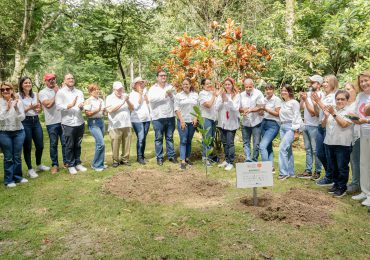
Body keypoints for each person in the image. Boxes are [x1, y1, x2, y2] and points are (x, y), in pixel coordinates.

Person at [322, 90, 353, 197]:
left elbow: (344, 124)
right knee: (333, 166)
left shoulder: (350, 111)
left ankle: (342, 187)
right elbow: (322, 125)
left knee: (342, 167)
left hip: (343, 144)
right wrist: (326, 116)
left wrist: (333, 113)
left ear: (347, 100)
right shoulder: (332, 109)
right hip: (329, 142)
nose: (339, 101)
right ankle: (336, 184)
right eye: (337, 99)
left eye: (342, 99)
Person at [55, 73, 87, 174]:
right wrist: (69, 105)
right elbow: (58, 107)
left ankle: (78, 163)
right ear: (64, 81)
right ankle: (71, 165)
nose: (71, 80)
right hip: (68, 123)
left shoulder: (79, 92)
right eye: (68, 78)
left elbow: (82, 106)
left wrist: (82, 106)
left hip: (79, 122)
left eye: (72, 78)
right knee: (69, 145)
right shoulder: (60, 92)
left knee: (78, 144)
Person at [18, 77, 50, 178]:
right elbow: (19, 112)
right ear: (21, 85)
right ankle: (30, 169)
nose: (28, 84)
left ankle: (39, 164)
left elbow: (38, 110)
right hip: (25, 122)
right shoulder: (18, 96)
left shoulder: (35, 95)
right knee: (27, 146)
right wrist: (30, 108)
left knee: (40, 145)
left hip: (35, 121)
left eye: (29, 82)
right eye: (25, 83)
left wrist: (38, 109)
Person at [311, 75, 338, 185]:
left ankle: (330, 177)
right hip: (320, 126)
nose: (324, 84)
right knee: (319, 153)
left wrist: (318, 101)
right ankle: (329, 174)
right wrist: (316, 102)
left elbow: (329, 110)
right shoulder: (324, 96)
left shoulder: (335, 95)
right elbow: (318, 113)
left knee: (328, 154)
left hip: (328, 127)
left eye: (327, 82)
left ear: (333, 83)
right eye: (324, 82)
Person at [0, 82, 28, 187]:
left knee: (17, 156)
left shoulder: (18, 102)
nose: (5, 91)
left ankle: (18, 177)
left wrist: (16, 108)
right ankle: (9, 180)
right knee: (8, 157)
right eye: (2, 90)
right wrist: (7, 109)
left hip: (19, 131)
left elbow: (22, 118)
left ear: (12, 90)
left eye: (7, 89)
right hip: (4, 132)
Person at [147, 70, 177, 166]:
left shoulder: (171, 87)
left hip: (170, 116)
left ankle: (171, 156)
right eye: (161, 75)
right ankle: (159, 158)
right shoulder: (153, 88)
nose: (163, 77)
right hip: (158, 117)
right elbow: (151, 99)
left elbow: (176, 99)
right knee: (158, 138)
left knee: (170, 137)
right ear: (157, 77)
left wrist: (172, 96)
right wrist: (164, 95)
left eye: (165, 75)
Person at [39, 73, 67, 174]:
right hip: (51, 123)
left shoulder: (60, 90)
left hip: (63, 121)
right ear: (45, 81)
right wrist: (56, 93)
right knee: (53, 144)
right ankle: (55, 165)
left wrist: (60, 91)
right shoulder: (42, 92)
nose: (52, 81)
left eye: (53, 79)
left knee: (65, 143)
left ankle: (66, 162)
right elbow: (49, 105)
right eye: (49, 79)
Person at [350, 71, 370, 207]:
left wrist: (365, 121)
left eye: (366, 80)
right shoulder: (361, 96)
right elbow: (357, 113)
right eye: (361, 81)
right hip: (363, 133)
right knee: (364, 163)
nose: (363, 83)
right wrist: (354, 118)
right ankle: (365, 191)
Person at [298, 75, 323, 179]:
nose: (310, 84)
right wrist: (303, 99)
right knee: (308, 149)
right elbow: (301, 107)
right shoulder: (308, 94)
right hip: (306, 125)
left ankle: (317, 171)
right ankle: (308, 170)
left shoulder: (321, 95)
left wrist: (306, 100)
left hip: (314, 126)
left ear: (318, 84)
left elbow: (313, 113)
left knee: (315, 150)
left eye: (312, 82)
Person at [106, 81, 133, 168]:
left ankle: (125, 159)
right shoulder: (109, 98)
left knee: (127, 143)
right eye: (118, 89)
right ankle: (115, 160)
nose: (120, 91)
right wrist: (122, 102)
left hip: (127, 123)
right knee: (115, 143)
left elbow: (132, 108)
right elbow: (110, 110)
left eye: (121, 89)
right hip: (115, 125)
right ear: (114, 89)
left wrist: (127, 100)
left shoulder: (125, 96)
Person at [215, 77, 240, 171]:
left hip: (231, 123)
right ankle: (226, 160)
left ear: (232, 85)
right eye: (225, 84)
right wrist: (222, 100)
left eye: (229, 84)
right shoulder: (221, 95)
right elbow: (216, 108)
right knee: (224, 143)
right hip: (222, 122)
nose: (227, 86)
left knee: (230, 143)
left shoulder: (237, 95)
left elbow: (235, 108)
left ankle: (231, 162)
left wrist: (227, 100)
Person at [278, 84, 303, 180]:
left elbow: (297, 116)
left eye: (285, 91)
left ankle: (283, 173)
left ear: (289, 92)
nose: (283, 92)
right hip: (282, 127)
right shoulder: (283, 103)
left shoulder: (294, 103)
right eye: (282, 90)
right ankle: (291, 172)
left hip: (290, 127)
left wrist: (296, 131)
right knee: (288, 150)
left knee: (282, 149)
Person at [174, 78, 199, 170]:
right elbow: (176, 108)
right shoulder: (178, 95)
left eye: (187, 84)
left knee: (189, 140)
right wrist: (181, 120)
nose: (185, 86)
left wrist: (196, 117)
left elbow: (198, 107)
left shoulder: (195, 95)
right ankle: (183, 161)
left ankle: (187, 158)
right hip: (182, 121)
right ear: (182, 85)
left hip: (192, 121)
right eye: (184, 84)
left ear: (190, 85)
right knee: (183, 140)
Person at [239, 78, 264, 162]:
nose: (248, 89)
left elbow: (261, 106)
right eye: (246, 87)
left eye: (250, 87)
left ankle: (254, 159)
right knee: (246, 142)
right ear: (244, 86)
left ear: (253, 85)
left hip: (256, 122)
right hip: (246, 122)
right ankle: (248, 158)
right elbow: (239, 108)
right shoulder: (241, 95)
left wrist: (250, 110)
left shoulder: (258, 93)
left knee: (256, 143)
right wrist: (243, 110)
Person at [258, 83, 281, 172]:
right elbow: (261, 113)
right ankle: (271, 167)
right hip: (264, 123)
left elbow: (277, 113)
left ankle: (265, 168)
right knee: (268, 147)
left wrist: (266, 109)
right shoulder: (264, 99)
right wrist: (261, 111)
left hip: (273, 124)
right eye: (267, 89)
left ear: (273, 90)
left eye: (270, 89)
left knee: (262, 146)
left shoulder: (277, 99)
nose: (268, 91)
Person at [129, 77, 151, 165]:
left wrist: (144, 95)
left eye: (142, 83)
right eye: (139, 83)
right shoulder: (132, 94)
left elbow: (148, 103)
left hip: (146, 118)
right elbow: (135, 107)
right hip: (137, 119)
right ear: (135, 85)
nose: (141, 84)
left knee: (143, 138)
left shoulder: (145, 92)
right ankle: (139, 157)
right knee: (141, 138)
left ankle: (142, 155)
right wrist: (140, 94)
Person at [84, 84, 106, 171]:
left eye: (98, 89)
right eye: (94, 90)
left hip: (101, 121)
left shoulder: (100, 100)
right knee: (101, 144)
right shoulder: (88, 101)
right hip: (93, 123)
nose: (97, 91)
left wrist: (104, 111)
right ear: (90, 92)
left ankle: (100, 163)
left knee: (99, 144)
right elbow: (87, 114)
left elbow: (103, 112)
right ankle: (96, 165)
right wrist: (98, 109)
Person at [344, 82, 361, 194]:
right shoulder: (345, 104)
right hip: (347, 137)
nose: (346, 91)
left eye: (349, 89)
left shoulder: (357, 103)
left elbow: (361, 118)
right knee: (350, 160)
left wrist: (351, 116)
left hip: (357, 135)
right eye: (345, 89)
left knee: (355, 161)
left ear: (355, 90)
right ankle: (354, 182)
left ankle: (356, 184)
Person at [199, 78, 219, 166]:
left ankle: (209, 157)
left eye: (210, 83)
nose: (209, 85)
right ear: (203, 85)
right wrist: (214, 96)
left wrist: (220, 86)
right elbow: (208, 105)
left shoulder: (212, 92)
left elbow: (220, 93)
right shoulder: (201, 94)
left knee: (211, 139)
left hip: (213, 118)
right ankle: (205, 158)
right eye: (207, 84)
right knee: (206, 138)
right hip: (206, 118)